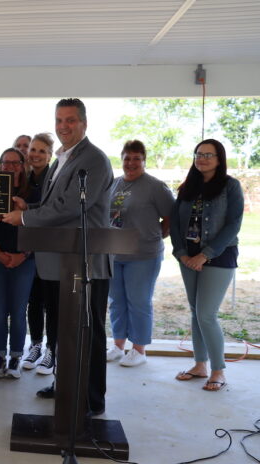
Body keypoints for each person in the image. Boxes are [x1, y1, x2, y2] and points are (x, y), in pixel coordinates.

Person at [2, 98, 113, 415]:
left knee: (87, 332)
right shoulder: (60, 159)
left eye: (70, 120)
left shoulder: (94, 159)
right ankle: (66, 385)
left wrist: (24, 219)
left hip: (85, 261)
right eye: (59, 120)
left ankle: (91, 399)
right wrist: (29, 208)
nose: (63, 126)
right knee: (63, 330)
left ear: (84, 123)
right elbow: (55, 204)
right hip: (57, 262)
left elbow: (68, 208)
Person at [171, 139, 243, 392]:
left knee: (206, 314)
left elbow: (233, 224)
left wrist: (206, 255)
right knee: (195, 311)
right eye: (198, 154)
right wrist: (181, 253)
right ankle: (200, 365)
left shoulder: (230, 186)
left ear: (219, 159)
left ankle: (218, 370)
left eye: (208, 155)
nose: (201, 158)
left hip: (219, 256)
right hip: (187, 257)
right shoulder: (187, 187)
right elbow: (175, 223)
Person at [106, 140, 174, 367]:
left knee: (139, 301)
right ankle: (118, 346)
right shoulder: (114, 184)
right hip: (115, 255)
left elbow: (171, 218)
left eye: (136, 158)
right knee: (116, 301)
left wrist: (154, 237)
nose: (131, 163)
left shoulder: (155, 186)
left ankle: (139, 350)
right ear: (121, 159)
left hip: (144, 255)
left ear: (144, 161)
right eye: (127, 158)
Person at [0, 148, 36, 379]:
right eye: (6, 163)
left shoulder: (32, 194)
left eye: (15, 163)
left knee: (18, 311)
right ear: (0, 165)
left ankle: (15, 356)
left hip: (25, 260)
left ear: (23, 166)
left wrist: (23, 255)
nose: (10, 167)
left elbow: (40, 228)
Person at [23, 133, 56, 372]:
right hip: (28, 252)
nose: (36, 154)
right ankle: (35, 344)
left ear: (50, 156)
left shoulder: (53, 178)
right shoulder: (24, 178)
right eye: (33, 150)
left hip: (49, 250)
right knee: (34, 302)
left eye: (42, 151)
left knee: (52, 303)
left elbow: (50, 212)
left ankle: (52, 350)